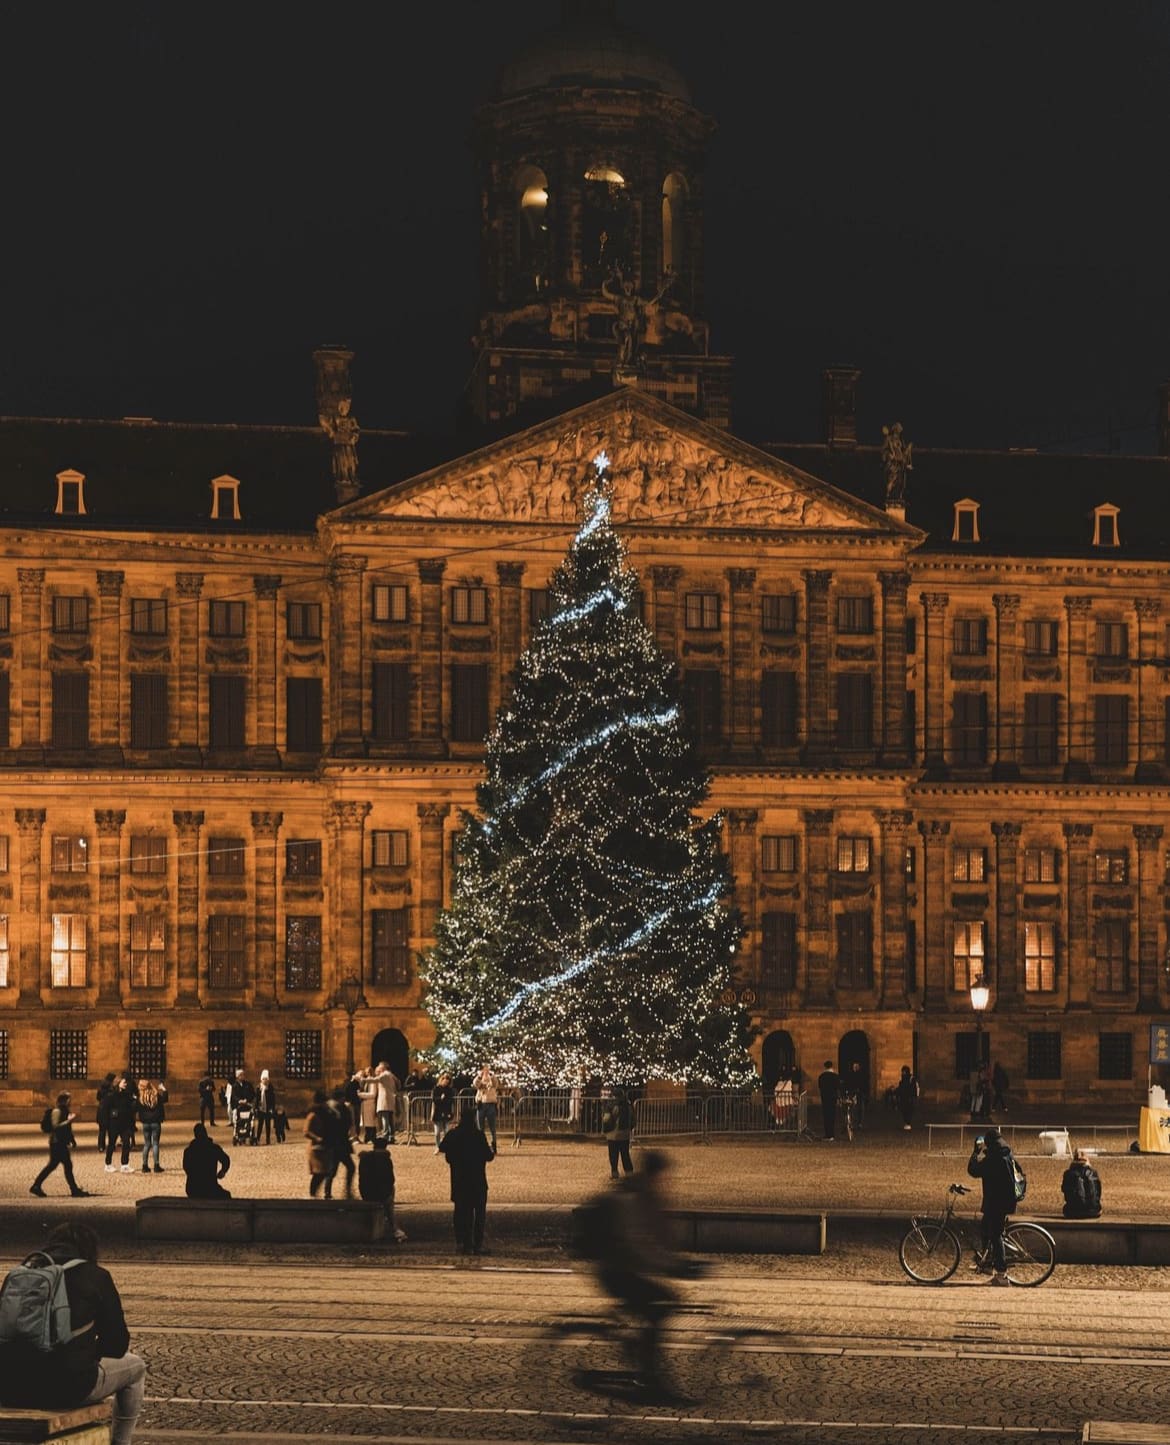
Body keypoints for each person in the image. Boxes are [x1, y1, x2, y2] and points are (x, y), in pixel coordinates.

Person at [0, 1221, 146, 1444]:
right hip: (67, 1386)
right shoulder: (96, 1276)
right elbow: (117, 1345)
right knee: (136, 1368)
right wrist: (87, 1350)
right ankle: (120, 1442)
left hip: (10, 1386)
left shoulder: (20, 1276)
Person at [592, 1149, 687, 1400]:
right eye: (664, 1176)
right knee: (658, 1309)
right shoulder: (633, 1197)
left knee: (661, 1304)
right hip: (613, 1270)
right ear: (654, 1174)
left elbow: (661, 1237)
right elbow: (639, 1244)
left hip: (624, 1267)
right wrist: (673, 1266)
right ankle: (646, 1376)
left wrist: (679, 1261)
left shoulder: (647, 1195)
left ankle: (642, 1361)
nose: (667, 1182)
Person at [439, 1104, 494, 1255]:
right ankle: (477, 1244)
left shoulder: (454, 1134)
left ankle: (461, 1242)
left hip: (459, 1178)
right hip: (477, 1179)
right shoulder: (478, 1135)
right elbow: (489, 1156)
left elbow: (442, 1147)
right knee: (479, 1214)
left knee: (460, 1212)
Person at [967, 1125, 1017, 1285]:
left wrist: (975, 1152)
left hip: (997, 1202)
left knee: (995, 1235)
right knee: (985, 1228)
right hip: (1002, 1200)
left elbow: (973, 1170)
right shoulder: (1006, 1153)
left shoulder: (994, 1158)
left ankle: (1001, 1274)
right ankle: (987, 1262)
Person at [31, 1092, 89, 1197]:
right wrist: (69, 1120)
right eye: (69, 1100)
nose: (70, 1102)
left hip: (60, 1142)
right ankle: (74, 1189)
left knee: (57, 1165)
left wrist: (72, 1139)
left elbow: (67, 1129)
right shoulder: (57, 1111)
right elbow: (56, 1126)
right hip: (57, 1143)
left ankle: (37, 1185)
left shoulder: (64, 1111)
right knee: (62, 1165)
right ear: (65, 1100)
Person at [357, 1136, 408, 1241]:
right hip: (382, 1193)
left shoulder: (365, 1158)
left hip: (366, 1192)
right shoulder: (386, 1160)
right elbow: (390, 1179)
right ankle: (395, 1228)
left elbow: (362, 1178)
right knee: (389, 1203)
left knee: (386, 1195)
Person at [182, 1123, 231, 1199]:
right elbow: (226, 1160)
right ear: (206, 1134)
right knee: (227, 1196)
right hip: (210, 1187)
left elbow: (186, 1168)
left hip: (193, 1189)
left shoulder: (189, 1151)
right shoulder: (213, 1148)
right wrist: (223, 1171)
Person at [102, 1075, 136, 1174]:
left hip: (125, 1124)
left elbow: (130, 1109)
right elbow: (105, 1110)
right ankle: (108, 1164)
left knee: (126, 1143)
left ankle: (124, 1164)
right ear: (118, 1084)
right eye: (123, 1082)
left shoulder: (127, 1095)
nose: (125, 1084)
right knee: (111, 1144)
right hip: (114, 1124)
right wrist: (106, 1124)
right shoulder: (111, 1096)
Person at [326, 1090, 356, 1198]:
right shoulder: (341, 1109)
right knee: (344, 1168)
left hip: (336, 1144)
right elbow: (347, 1123)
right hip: (340, 1144)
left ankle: (328, 1192)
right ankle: (344, 1191)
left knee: (334, 1170)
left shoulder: (331, 1109)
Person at [305, 1090, 334, 1198]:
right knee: (319, 1173)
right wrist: (317, 1138)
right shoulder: (313, 1115)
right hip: (315, 1148)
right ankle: (313, 1194)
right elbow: (306, 1131)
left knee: (324, 1172)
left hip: (323, 1147)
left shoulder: (324, 1113)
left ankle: (315, 1194)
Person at [135, 1079, 168, 1174]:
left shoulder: (140, 1098)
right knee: (156, 1143)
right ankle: (156, 1165)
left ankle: (144, 1165)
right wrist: (163, 1089)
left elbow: (135, 1108)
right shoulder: (155, 1095)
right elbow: (165, 1099)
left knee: (147, 1144)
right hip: (155, 1122)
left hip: (145, 1123)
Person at [602, 1086, 634, 1179]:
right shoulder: (628, 1105)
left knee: (613, 1155)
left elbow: (606, 1119)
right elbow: (633, 1120)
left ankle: (615, 1173)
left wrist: (605, 1129)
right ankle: (629, 1173)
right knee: (625, 1154)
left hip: (613, 1135)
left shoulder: (611, 1105)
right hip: (625, 1135)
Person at [1061, 1149, 1102, 1218]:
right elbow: (1099, 1191)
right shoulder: (1094, 1173)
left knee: (1067, 1208)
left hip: (1073, 1212)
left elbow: (1064, 1190)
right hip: (1094, 1211)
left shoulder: (1068, 1173)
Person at [474, 1062, 500, 1152]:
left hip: (491, 1105)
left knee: (492, 1127)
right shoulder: (480, 1083)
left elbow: (495, 1083)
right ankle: (480, 1146)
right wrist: (479, 1076)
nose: (485, 1072)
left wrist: (491, 1075)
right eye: (484, 1070)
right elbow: (475, 1083)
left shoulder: (492, 1082)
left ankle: (494, 1146)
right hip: (481, 1104)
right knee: (480, 1128)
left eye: (487, 1070)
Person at [373, 1062, 399, 1144]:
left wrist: (362, 1079)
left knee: (385, 1119)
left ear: (383, 1067)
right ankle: (391, 1137)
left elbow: (374, 1080)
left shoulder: (384, 1074)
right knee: (390, 1120)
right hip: (390, 1099)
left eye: (380, 1067)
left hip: (385, 1100)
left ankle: (385, 1136)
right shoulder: (391, 1075)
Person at [225, 1069, 255, 1136]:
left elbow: (252, 1094)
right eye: (240, 1075)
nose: (242, 1076)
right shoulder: (234, 1086)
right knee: (236, 1118)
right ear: (237, 1076)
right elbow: (234, 1096)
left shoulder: (248, 1085)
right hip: (238, 1105)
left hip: (247, 1105)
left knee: (250, 1118)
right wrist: (239, 1100)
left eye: (243, 1075)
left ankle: (248, 1132)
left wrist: (246, 1100)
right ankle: (237, 1133)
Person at [431, 1071, 456, 1151]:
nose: (445, 1081)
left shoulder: (450, 1090)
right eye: (444, 1079)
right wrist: (440, 1099)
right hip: (437, 1112)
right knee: (437, 1132)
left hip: (446, 1112)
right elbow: (434, 1099)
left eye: (447, 1080)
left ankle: (445, 1146)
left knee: (447, 1131)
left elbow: (451, 1101)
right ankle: (437, 1146)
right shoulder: (436, 1089)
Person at [817, 1060, 840, 1142]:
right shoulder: (835, 1076)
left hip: (825, 1098)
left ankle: (827, 1134)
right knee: (832, 1116)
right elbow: (838, 1087)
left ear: (825, 1067)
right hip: (833, 1098)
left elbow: (820, 1087)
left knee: (826, 1116)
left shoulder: (822, 1076)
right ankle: (832, 1134)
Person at [254, 1069, 278, 1145]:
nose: (265, 1081)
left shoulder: (270, 1088)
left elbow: (272, 1099)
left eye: (266, 1079)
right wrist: (255, 1107)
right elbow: (256, 1099)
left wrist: (272, 1108)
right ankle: (257, 1138)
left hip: (268, 1108)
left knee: (268, 1124)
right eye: (264, 1079)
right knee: (260, 1124)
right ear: (261, 1079)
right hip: (261, 1108)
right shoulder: (258, 1088)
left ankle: (268, 1138)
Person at [95, 1072, 117, 1152]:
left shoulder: (101, 1088)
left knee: (102, 1130)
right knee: (111, 1130)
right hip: (110, 1110)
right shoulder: (112, 1089)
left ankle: (101, 1146)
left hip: (102, 1110)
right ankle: (111, 1145)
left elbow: (98, 1098)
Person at [895, 1064, 919, 1131]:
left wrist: (914, 1097)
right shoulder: (902, 1079)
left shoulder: (912, 1079)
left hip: (909, 1098)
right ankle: (906, 1122)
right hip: (903, 1098)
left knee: (909, 1111)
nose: (903, 1073)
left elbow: (914, 1088)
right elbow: (901, 1088)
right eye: (902, 1072)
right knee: (904, 1110)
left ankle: (908, 1123)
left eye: (904, 1072)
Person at [846, 1060, 869, 1129]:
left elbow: (864, 1084)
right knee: (852, 1109)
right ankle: (852, 1123)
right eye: (854, 1066)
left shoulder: (862, 1075)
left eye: (856, 1066)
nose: (855, 1068)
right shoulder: (851, 1074)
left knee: (860, 1109)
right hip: (853, 1093)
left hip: (860, 1093)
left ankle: (860, 1123)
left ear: (859, 1067)